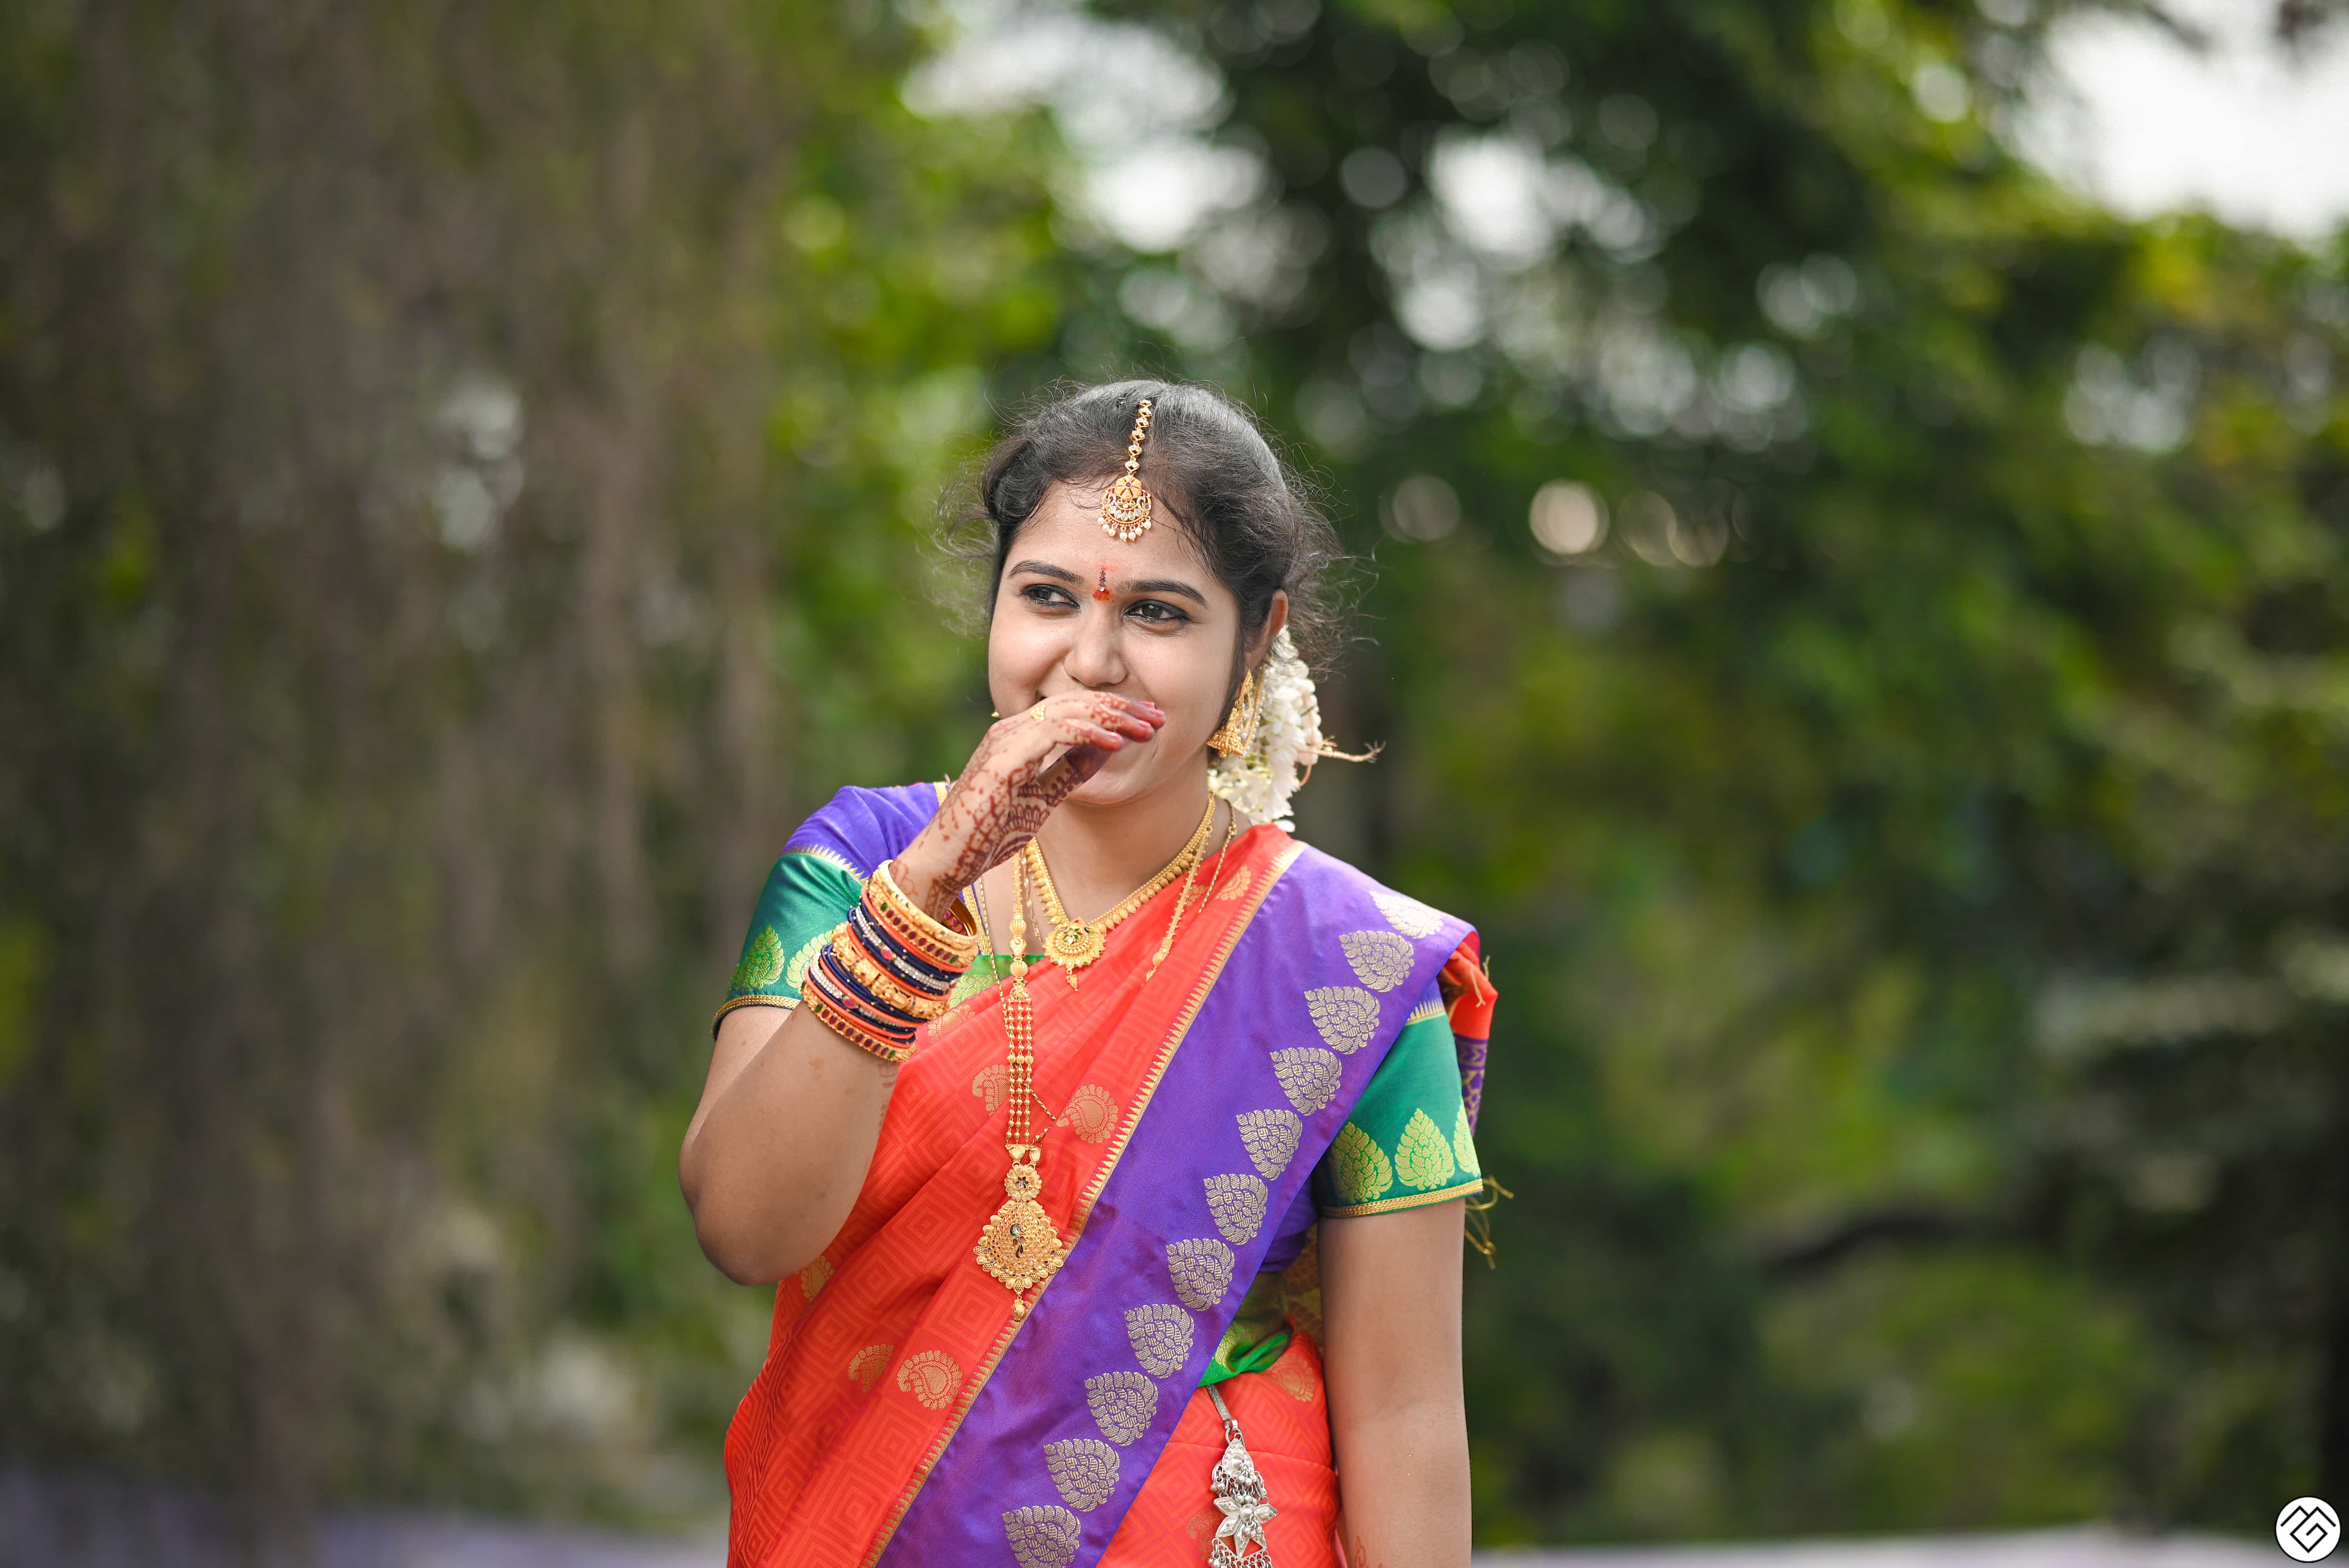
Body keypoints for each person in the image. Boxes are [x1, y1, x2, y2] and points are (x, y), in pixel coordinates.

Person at [680, 381, 1496, 1568]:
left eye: (1159, 613)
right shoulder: (856, 870)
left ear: (1255, 641)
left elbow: (1406, 1416)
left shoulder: (1345, 964)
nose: (1092, 660)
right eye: (1047, 597)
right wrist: (925, 897)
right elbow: (746, 1231)